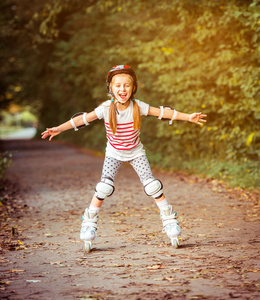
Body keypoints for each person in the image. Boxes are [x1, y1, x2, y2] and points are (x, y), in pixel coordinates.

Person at [41, 65, 207, 252]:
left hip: (136, 152)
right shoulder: (106, 108)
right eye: (118, 85)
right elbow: (82, 119)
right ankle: (88, 223)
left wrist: (188, 117)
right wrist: (59, 128)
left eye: (126, 85)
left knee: (152, 186)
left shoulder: (139, 107)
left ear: (133, 87)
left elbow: (163, 112)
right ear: (110, 88)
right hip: (114, 153)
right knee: (104, 187)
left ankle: (169, 220)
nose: (122, 89)